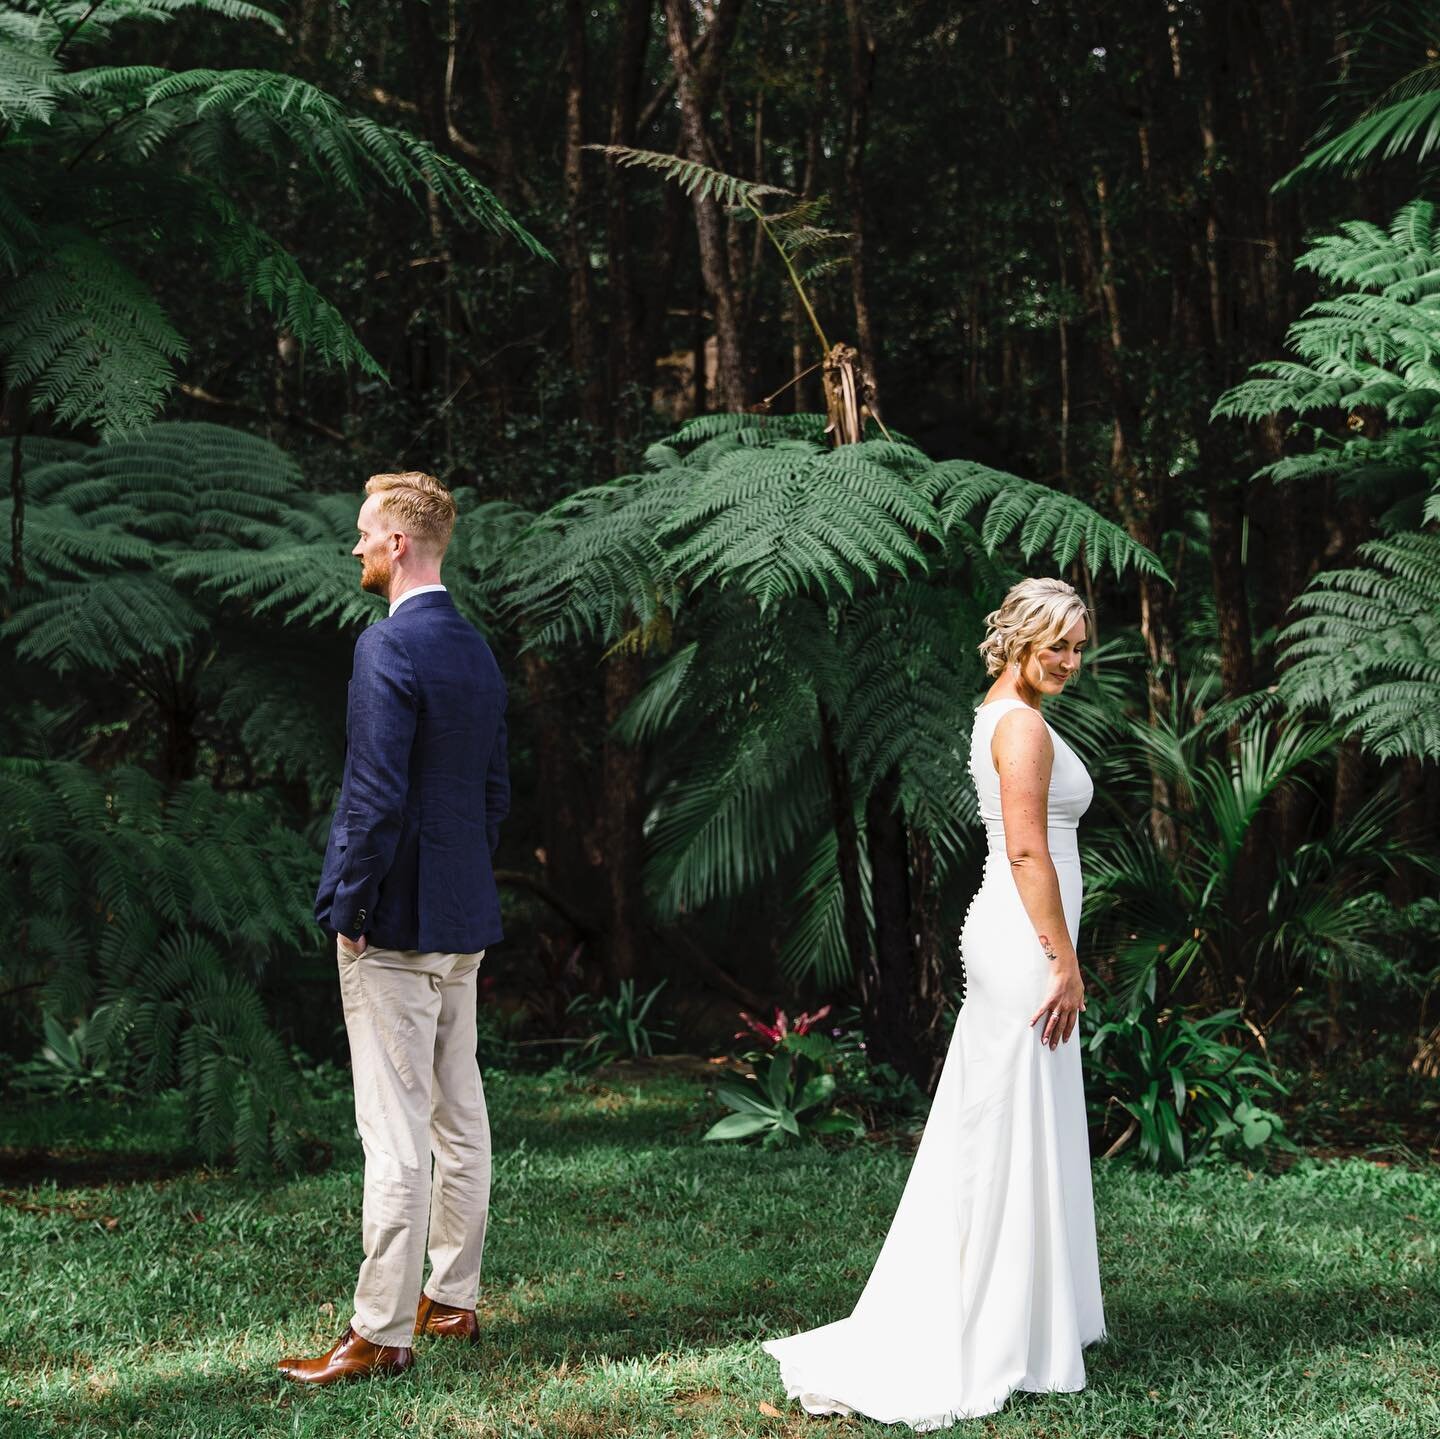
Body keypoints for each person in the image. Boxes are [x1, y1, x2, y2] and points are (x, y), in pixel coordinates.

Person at [763, 576, 1106, 1429]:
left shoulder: (1004, 710)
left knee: (1009, 1121)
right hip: (1027, 942)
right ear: (1020, 636)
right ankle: (989, 1324)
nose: (1069, 659)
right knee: (1004, 1124)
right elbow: (1028, 852)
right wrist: (1063, 959)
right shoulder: (1021, 725)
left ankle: (1024, 1318)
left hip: (1015, 935)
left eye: (1077, 644)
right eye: (1055, 642)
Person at [279, 471, 510, 1386]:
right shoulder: (477, 650)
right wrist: (456, 883)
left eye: (367, 533)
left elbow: (371, 799)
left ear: (402, 546)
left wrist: (348, 908)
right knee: (461, 1116)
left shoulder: (386, 647)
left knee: (395, 1130)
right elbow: (492, 794)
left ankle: (380, 1330)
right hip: (461, 920)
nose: (357, 547)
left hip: (396, 926)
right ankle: (451, 1299)